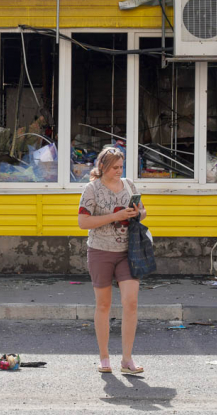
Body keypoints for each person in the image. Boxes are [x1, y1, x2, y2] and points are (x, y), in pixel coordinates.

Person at [77, 146, 147, 375]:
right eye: (115, 167)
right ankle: (104, 357)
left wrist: (138, 213)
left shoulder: (129, 184)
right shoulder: (92, 189)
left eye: (121, 166)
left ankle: (127, 360)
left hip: (129, 251)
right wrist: (115, 216)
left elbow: (144, 212)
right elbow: (83, 222)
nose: (119, 171)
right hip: (100, 251)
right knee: (104, 305)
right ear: (103, 167)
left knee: (131, 303)